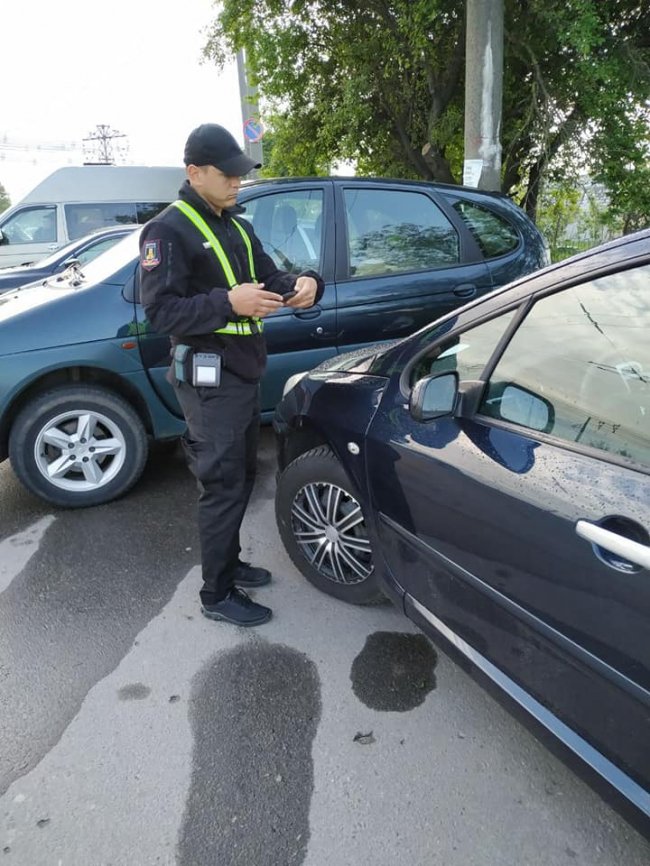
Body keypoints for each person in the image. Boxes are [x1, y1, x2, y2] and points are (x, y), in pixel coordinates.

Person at [139, 123, 324, 627]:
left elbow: (271, 276)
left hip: (241, 371)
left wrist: (306, 283)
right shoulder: (167, 230)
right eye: (228, 175)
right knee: (221, 483)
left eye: (240, 174)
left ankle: (230, 562)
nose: (238, 182)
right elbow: (160, 313)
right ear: (194, 173)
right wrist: (228, 302)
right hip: (208, 379)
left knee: (241, 475)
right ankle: (216, 593)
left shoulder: (236, 225)